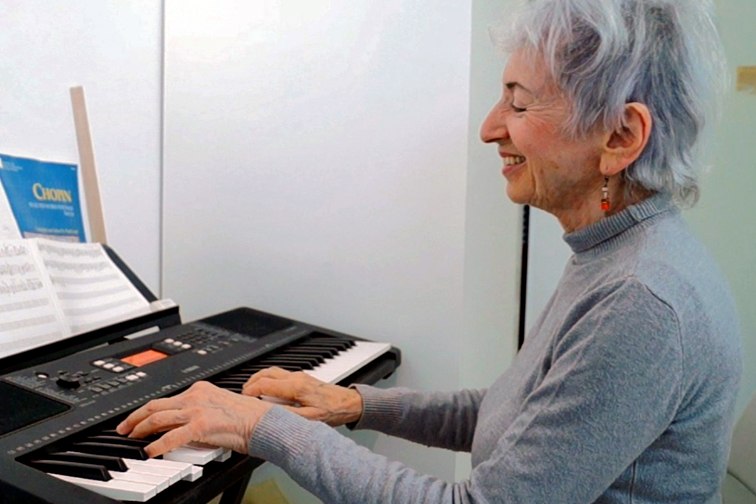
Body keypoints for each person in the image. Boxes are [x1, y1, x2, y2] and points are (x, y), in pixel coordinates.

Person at [117, 0, 742, 501]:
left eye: (519, 103)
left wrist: (262, 427)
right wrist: (357, 403)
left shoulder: (639, 301)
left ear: (620, 136)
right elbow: (511, 415)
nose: (490, 126)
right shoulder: (616, 257)